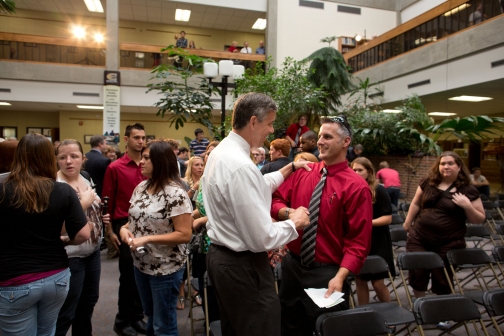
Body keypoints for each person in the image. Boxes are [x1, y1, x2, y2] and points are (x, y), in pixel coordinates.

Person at [202, 92, 311, 336]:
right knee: (260, 327)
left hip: (224, 259)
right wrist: (294, 224)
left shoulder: (224, 151)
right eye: (270, 123)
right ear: (253, 121)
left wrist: (289, 168)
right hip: (243, 266)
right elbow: (261, 238)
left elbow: (255, 186)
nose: (272, 130)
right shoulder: (239, 165)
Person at [271, 115, 373, 336]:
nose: (320, 141)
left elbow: (358, 242)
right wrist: (288, 212)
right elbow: (274, 200)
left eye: (327, 136)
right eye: (319, 136)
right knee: (288, 326)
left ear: (345, 142)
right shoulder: (304, 173)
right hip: (292, 268)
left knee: (327, 329)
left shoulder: (357, 187)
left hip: (328, 274)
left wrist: (340, 277)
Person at [0, 133, 90, 336]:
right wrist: (65, 240)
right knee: (47, 331)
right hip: (55, 277)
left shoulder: (3, 190)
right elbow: (83, 234)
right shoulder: (62, 191)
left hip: (14, 279)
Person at [119, 139, 192, 336]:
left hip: (165, 268)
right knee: (151, 315)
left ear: (160, 161)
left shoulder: (175, 193)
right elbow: (134, 220)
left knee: (163, 324)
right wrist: (124, 230)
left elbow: (185, 234)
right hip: (142, 264)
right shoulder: (141, 187)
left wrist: (148, 239)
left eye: (146, 158)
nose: (141, 162)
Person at [403, 151, 485, 298]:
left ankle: (442, 311)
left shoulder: (468, 190)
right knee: (417, 272)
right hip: (420, 237)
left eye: (450, 163)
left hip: (448, 241)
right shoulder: (428, 182)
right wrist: (408, 222)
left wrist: (467, 206)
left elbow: (479, 219)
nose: (446, 166)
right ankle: (421, 307)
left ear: (459, 166)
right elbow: (415, 202)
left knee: (442, 277)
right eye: (442, 164)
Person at [55, 139, 110, 336]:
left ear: (83, 159)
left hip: (92, 252)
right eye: (63, 157)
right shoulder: (55, 184)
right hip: (71, 255)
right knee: (67, 310)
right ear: (57, 161)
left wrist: (100, 216)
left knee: (88, 304)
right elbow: (57, 227)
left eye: (74, 156)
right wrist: (83, 205)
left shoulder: (85, 178)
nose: (69, 161)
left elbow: (91, 208)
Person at [102, 123, 147, 336]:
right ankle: (122, 321)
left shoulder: (147, 166)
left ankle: (137, 317)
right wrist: (109, 231)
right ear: (126, 139)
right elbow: (107, 203)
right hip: (123, 224)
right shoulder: (115, 167)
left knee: (141, 273)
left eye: (143, 137)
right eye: (136, 137)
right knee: (128, 275)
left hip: (145, 225)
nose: (140, 141)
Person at [351, 157, 395, 305]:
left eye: (360, 170)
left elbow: (387, 218)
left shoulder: (378, 189)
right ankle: (364, 315)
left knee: (377, 283)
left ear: (369, 172)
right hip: (358, 240)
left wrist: (366, 223)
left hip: (378, 240)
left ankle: (389, 314)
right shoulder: (351, 188)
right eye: (354, 169)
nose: (356, 172)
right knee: (360, 280)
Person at [192, 141, 221, 327]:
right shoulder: (203, 180)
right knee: (204, 287)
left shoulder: (224, 179)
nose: (208, 156)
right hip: (202, 242)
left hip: (219, 243)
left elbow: (229, 213)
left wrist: (203, 220)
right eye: (207, 154)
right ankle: (210, 323)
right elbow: (199, 208)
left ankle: (219, 324)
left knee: (218, 290)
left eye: (213, 153)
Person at [177, 156, 204, 310]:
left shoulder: (207, 180)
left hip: (200, 224)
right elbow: (181, 203)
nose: (199, 168)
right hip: (185, 223)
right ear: (190, 167)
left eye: (202, 165)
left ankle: (195, 289)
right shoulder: (184, 182)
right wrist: (194, 188)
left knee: (198, 261)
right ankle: (181, 291)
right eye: (196, 165)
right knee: (184, 257)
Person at [85, 135, 111, 201]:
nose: (106, 146)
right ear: (100, 145)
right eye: (105, 143)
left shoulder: (84, 157)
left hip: (85, 193)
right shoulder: (105, 160)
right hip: (99, 194)